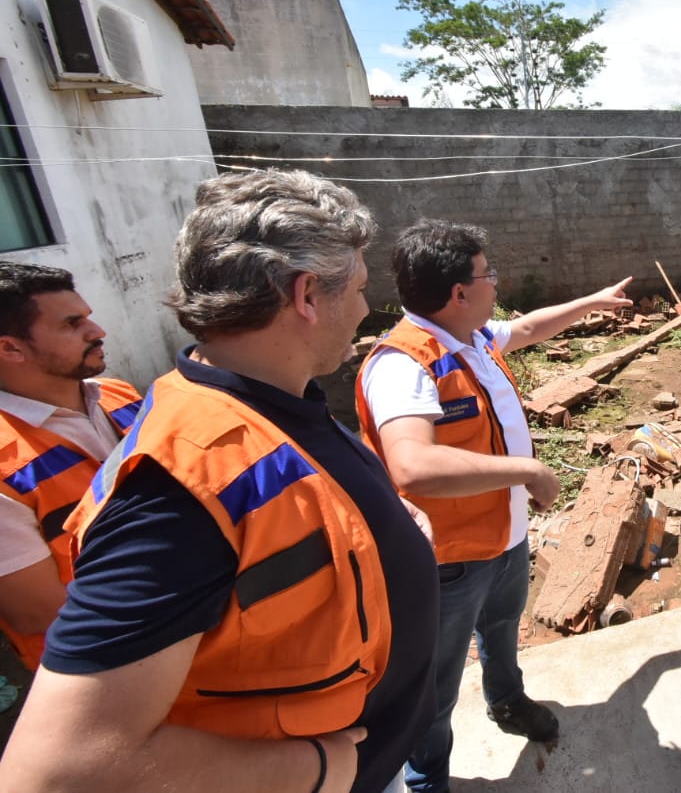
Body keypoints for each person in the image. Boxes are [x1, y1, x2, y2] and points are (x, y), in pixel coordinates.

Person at [0, 169, 439, 793]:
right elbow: (59, 770)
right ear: (307, 295)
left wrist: (381, 521)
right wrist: (317, 769)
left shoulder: (267, 401)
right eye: (363, 287)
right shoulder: (174, 493)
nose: (368, 309)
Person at [354, 219, 632, 792]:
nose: (497, 284)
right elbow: (413, 466)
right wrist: (528, 470)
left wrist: (594, 301)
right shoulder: (403, 366)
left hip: (504, 537)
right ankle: (428, 776)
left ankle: (506, 701)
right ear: (459, 293)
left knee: (503, 628)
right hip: (449, 561)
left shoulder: (472, 338)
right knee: (435, 685)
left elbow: (528, 327)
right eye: (489, 275)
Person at [0, 262, 141, 672]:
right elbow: (37, 612)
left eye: (89, 317)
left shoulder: (119, 396)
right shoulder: (7, 464)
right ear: (10, 348)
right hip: (99, 670)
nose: (97, 332)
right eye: (72, 324)